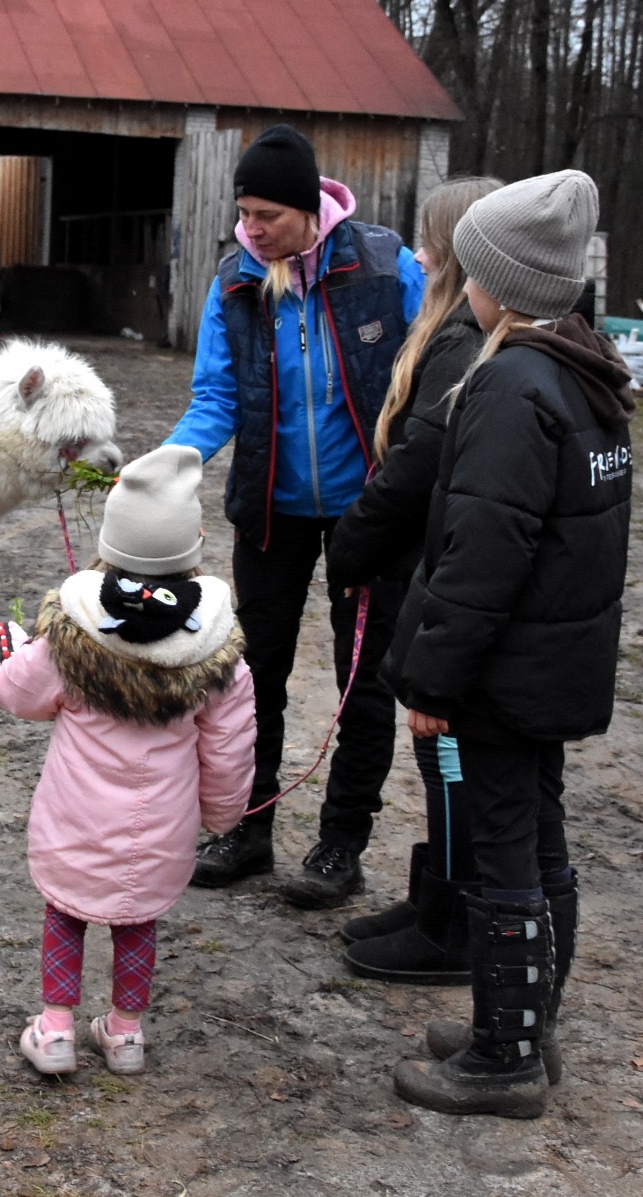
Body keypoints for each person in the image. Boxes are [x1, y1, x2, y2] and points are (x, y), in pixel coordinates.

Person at [379, 169, 634, 1118]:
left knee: (503, 853)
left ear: (501, 283)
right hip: (552, 663)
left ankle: (503, 1056)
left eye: (471, 266)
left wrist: (432, 675)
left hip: (500, 672)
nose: (459, 279)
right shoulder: (585, 369)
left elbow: (481, 552)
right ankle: (529, 1020)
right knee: (540, 835)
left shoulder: (509, 386)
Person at [163, 124, 425, 909]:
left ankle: (341, 844)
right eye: (244, 213)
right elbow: (214, 397)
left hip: (368, 513)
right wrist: (166, 466)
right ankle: (249, 830)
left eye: (266, 215)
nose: (252, 229)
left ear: (309, 208)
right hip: (270, 511)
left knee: (362, 679)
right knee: (254, 674)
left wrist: (413, 481)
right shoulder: (235, 281)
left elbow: (428, 376)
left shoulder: (386, 266)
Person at [0, 445, 255, 1076]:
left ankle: (54, 1031)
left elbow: (18, 693)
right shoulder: (218, 653)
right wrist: (220, 814)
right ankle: (126, 1034)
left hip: (73, 822)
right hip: (158, 829)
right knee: (137, 922)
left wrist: (3, 642)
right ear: (194, 544)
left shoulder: (70, 636)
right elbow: (230, 747)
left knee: (66, 913)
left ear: (110, 539)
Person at [326, 176, 504, 985]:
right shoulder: (449, 330)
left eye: (430, 239)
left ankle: (454, 920)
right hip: (420, 565)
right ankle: (436, 893)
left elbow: (416, 461)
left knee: (451, 749)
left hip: (434, 566)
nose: (416, 251)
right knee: (439, 751)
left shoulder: (465, 344)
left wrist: (353, 544)